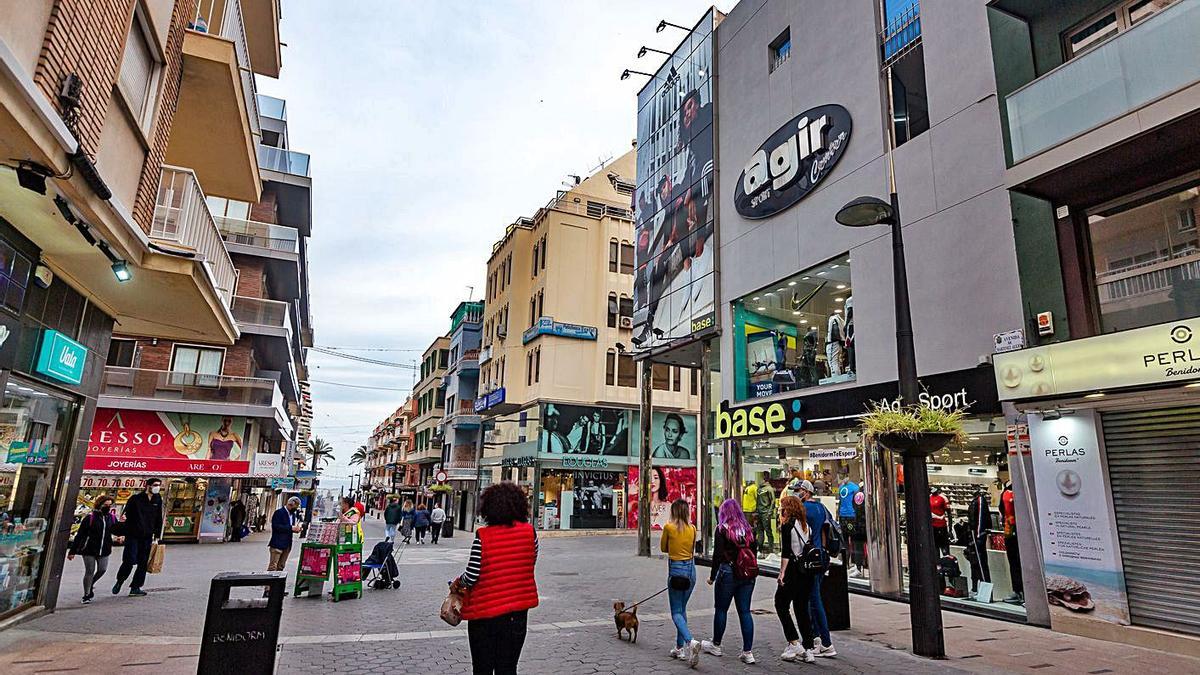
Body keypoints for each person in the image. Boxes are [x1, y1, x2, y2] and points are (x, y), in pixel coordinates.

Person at [452, 482, 539, 675]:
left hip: (485, 615)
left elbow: (472, 575)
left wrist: (458, 582)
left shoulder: (483, 536)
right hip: (517, 613)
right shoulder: (530, 532)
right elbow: (530, 563)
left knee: (482, 668)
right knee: (507, 668)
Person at [701, 499, 757, 664]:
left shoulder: (722, 529)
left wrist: (712, 576)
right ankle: (748, 652)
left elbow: (717, 556)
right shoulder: (748, 530)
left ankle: (716, 645)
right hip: (747, 574)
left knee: (721, 609)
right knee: (745, 612)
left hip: (728, 573)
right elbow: (754, 551)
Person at [796, 480, 837, 657]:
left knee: (814, 600)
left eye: (798, 491)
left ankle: (826, 643)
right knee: (813, 597)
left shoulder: (803, 509)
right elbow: (826, 529)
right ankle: (817, 639)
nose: (796, 494)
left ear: (805, 492)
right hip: (821, 556)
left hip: (809, 559)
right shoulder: (821, 507)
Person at [775, 495, 817, 663]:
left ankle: (793, 641)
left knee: (780, 603)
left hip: (792, 569)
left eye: (782, 507)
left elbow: (786, 553)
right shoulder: (807, 527)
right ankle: (809, 649)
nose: (781, 510)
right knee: (802, 609)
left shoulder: (788, 526)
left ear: (788, 508)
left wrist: (781, 573)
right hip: (806, 572)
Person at [661, 498, 700, 667]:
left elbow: (664, 548)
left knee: (676, 612)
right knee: (682, 609)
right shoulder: (692, 529)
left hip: (676, 571)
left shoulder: (669, 527)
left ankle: (690, 641)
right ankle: (679, 648)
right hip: (691, 571)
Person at [112, 478, 163, 597]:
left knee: (143, 562)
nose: (157, 487)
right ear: (148, 486)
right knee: (129, 560)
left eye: (159, 485)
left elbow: (158, 517)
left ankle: (136, 587)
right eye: (155, 485)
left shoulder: (157, 499)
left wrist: (157, 534)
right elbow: (125, 514)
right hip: (133, 534)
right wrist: (122, 528)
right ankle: (120, 580)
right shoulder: (136, 499)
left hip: (147, 535)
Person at [69, 494, 122, 604]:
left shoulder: (111, 518)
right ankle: (87, 594)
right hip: (89, 549)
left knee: (102, 569)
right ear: (99, 505)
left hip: (105, 549)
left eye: (109, 505)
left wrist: (122, 527)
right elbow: (80, 535)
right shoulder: (90, 518)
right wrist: (73, 551)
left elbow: (117, 530)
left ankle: (91, 583)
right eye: (105, 505)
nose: (107, 507)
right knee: (90, 571)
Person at [268, 497, 302, 571]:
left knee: (281, 566)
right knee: (273, 566)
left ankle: (277, 582)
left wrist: (295, 529)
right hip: (277, 544)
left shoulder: (292, 515)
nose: (295, 509)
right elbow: (276, 526)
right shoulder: (279, 512)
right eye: (295, 507)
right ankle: (269, 582)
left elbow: (289, 527)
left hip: (287, 545)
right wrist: (291, 528)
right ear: (290, 504)